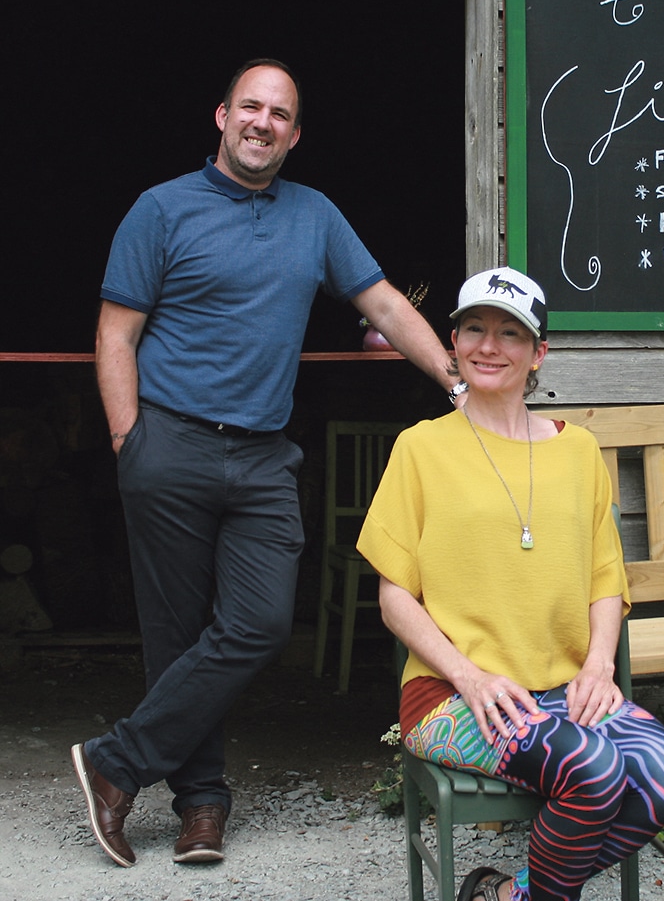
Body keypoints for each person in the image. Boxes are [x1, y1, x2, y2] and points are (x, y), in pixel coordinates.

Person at [73, 58, 461, 869]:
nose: (263, 122)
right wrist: (127, 440)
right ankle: (202, 804)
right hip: (169, 442)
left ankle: (116, 761)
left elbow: (384, 301)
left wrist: (455, 380)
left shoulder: (314, 214)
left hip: (261, 455)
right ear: (220, 115)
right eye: (250, 107)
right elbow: (117, 333)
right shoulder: (161, 208)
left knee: (259, 622)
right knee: (177, 635)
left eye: (279, 114)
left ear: (294, 132)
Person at [357, 266, 664, 901]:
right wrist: (470, 676)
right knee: (592, 769)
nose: (490, 346)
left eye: (511, 334)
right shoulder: (420, 448)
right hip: (452, 697)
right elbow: (393, 597)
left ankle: (512, 894)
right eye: (475, 329)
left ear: (539, 352)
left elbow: (604, 579)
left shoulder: (578, 451)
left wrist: (598, 667)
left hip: (566, 690)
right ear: (453, 344)